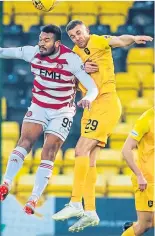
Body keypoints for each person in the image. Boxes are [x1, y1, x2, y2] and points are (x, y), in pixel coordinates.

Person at [0, 24, 98, 215]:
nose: (42, 44)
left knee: (49, 150)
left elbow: (92, 87)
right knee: (25, 141)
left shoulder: (71, 59)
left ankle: (34, 198)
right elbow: (3, 52)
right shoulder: (32, 52)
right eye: (40, 39)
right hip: (40, 106)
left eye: (46, 40)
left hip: (62, 111)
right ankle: (6, 183)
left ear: (57, 43)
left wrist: (87, 98)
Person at [52, 20, 153, 232]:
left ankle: (75, 202)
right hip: (90, 107)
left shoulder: (99, 41)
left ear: (87, 30)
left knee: (79, 149)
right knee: (89, 159)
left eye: (79, 33)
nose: (77, 38)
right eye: (73, 36)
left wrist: (133, 39)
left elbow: (118, 40)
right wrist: (81, 68)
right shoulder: (74, 55)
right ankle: (90, 210)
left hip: (106, 103)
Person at [121, 108, 154, 236]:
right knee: (144, 225)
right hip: (147, 179)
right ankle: (132, 230)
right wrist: (139, 175)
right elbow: (126, 149)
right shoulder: (146, 119)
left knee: (148, 222)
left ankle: (131, 228)